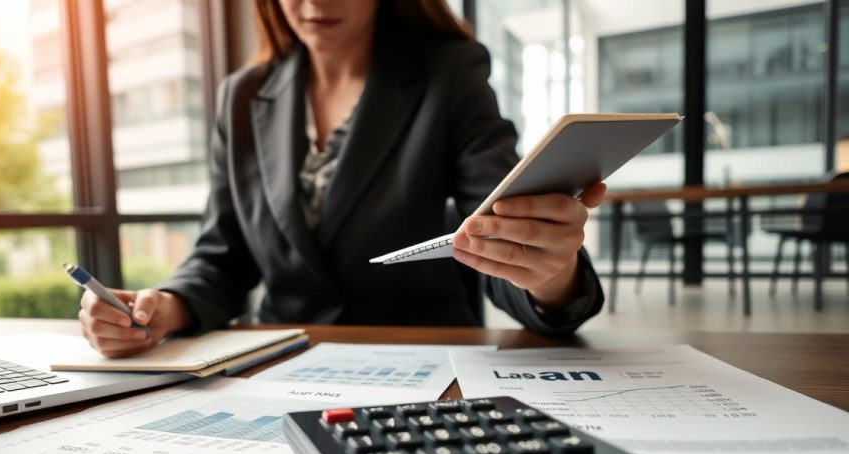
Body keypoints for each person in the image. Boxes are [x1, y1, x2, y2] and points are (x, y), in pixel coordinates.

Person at [79, 0, 606, 358]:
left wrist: (548, 276)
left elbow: (492, 228)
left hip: (422, 364)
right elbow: (223, 256)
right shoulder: (242, 96)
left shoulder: (449, 73)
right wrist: (160, 308)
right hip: (280, 363)